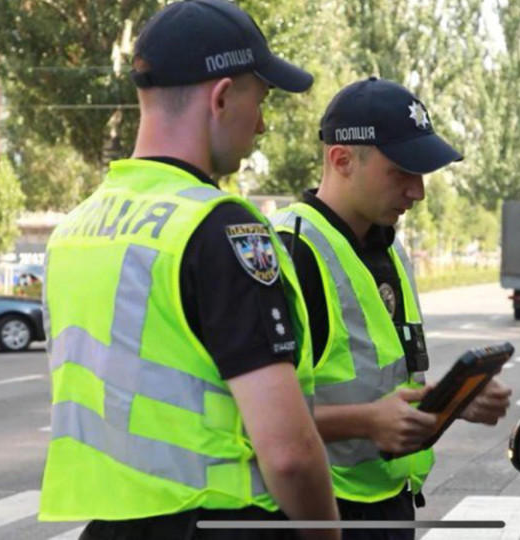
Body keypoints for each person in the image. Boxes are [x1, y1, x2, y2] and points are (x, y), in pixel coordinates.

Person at [38, 2, 339, 539]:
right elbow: (289, 454)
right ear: (222, 97)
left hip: (110, 526)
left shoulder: (75, 230)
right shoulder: (219, 229)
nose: (263, 124)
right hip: (220, 524)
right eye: (261, 100)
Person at [272, 77, 512, 539]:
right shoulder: (289, 250)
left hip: (389, 506)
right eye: (402, 172)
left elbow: (379, 386)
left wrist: (450, 402)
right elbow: (252, 420)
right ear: (341, 160)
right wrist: (365, 422)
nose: (418, 192)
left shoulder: (389, 249)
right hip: (318, 512)